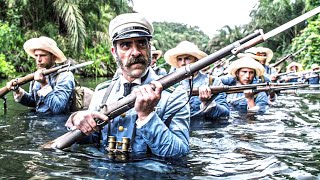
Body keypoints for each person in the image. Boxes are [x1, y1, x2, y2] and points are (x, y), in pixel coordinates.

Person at [65, 13, 190, 157]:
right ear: (114, 52)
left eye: (141, 43)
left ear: (149, 48)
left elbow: (179, 154)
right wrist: (77, 120)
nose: (136, 52)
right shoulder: (101, 93)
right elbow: (91, 141)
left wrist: (147, 117)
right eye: (125, 45)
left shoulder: (175, 94)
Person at [164, 41, 229, 123]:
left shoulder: (213, 81)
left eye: (187, 58)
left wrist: (207, 103)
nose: (183, 63)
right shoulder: (169, 84)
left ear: (196, 60)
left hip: (205, 132)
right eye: (180, 59)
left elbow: (225, 114)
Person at [6, 36, 75, 114]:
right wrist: (17, 91)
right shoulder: (37, 74)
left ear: (53, 57)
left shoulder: (65, 76)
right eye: (36, 56)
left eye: (42, 55)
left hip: (57, 123)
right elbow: (34, 103)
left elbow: (58, 108)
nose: (38, 60)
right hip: (38, 121)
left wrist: (43, 84)